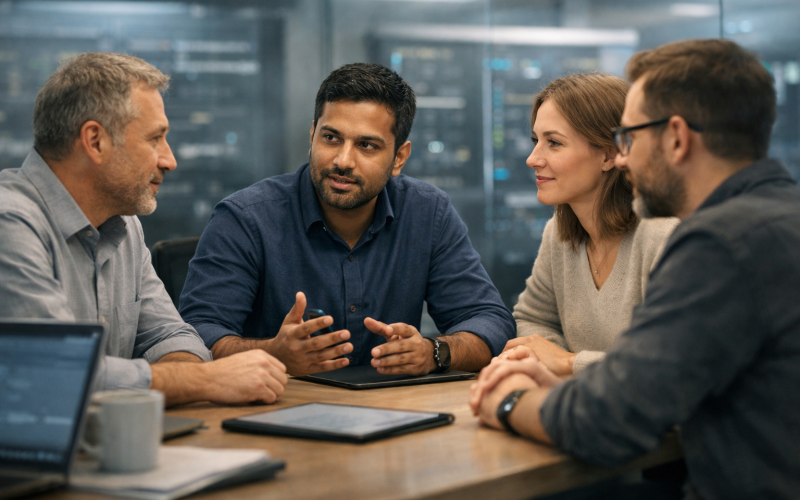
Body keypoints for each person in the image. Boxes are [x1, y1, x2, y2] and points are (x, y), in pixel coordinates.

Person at [469, 38, 800, 499]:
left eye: (630, 137)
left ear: (678, 138)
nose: (624, 157)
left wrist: (506, 399)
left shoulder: (719, 244)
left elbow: (608, 420)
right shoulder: (778, 217)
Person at [180, 63, 515, 376]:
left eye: (366, 145)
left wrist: (434, 351)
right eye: (331, 138)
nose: (343, 160)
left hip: (394, 413)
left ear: (399, 157)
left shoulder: (428, 213)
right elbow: (198, 334)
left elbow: (490, 321)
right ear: (312, 136)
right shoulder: (244, 218)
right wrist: (272, 353)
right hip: (276, 409)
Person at [0, 53, 288, 407]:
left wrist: (186, 377)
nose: (169, 160)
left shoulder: (124, 227)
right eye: (155, 139)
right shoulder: (10, 223)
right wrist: (200, 380)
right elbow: (54, 373)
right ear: (95, 141)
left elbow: (173, 336)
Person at [501, 73, 677, 375]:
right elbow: (532, 320)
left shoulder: (664, 234)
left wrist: (569, 362)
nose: (532, 158)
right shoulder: (558, 233)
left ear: (610, 155)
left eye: (553, 143)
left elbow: (674, 362)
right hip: (591, 406)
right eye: (536, 141)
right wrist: (555, 359)